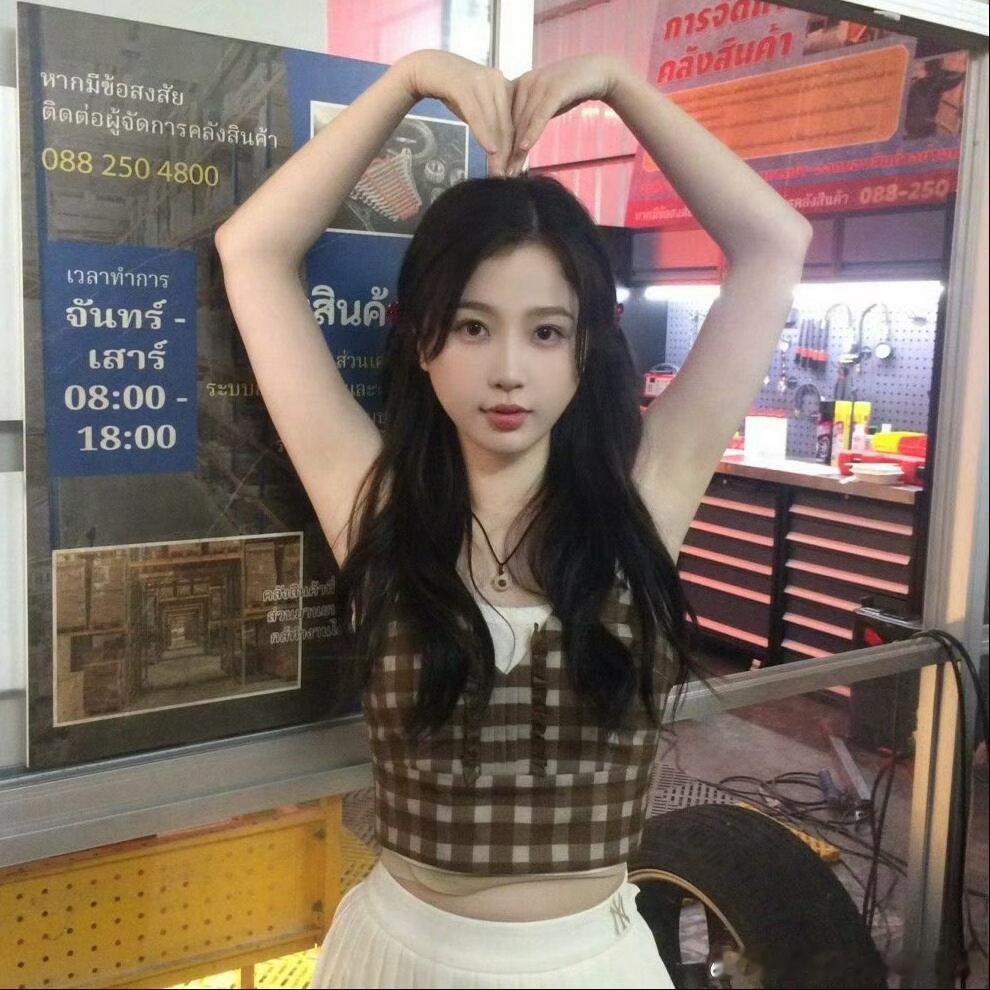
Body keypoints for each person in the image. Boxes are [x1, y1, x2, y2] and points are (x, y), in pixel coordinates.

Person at [215, 49, 812, 990]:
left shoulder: (646, 500)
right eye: (471, 325)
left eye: (545, 331)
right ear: (423, 341)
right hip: (401, 960)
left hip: (594, 965)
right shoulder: (374, 505)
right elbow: (252, 250)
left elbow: (775, 243)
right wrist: (408, 80)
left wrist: (617, 85)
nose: (507, 371)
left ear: (585, 347)